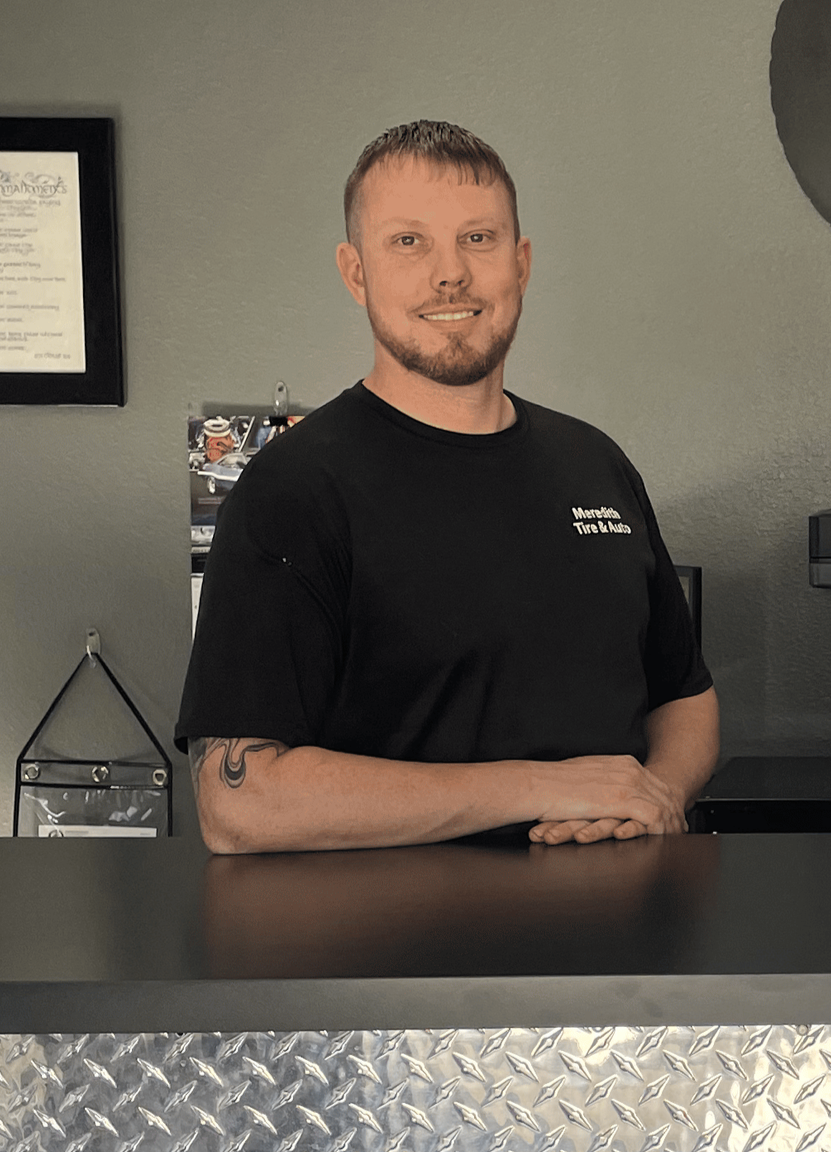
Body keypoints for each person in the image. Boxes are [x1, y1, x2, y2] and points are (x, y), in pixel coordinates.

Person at [177, 120, 717, 852]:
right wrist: (540, 785)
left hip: (621, 954)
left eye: (478, 238)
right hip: (409, 961)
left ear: (520, 263)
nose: (449, 273)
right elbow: (238, 804)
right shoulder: (294, 491)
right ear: (355, 270)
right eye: (408, 241)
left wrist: (658, 795)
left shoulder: (596, 463)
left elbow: (684, 700)